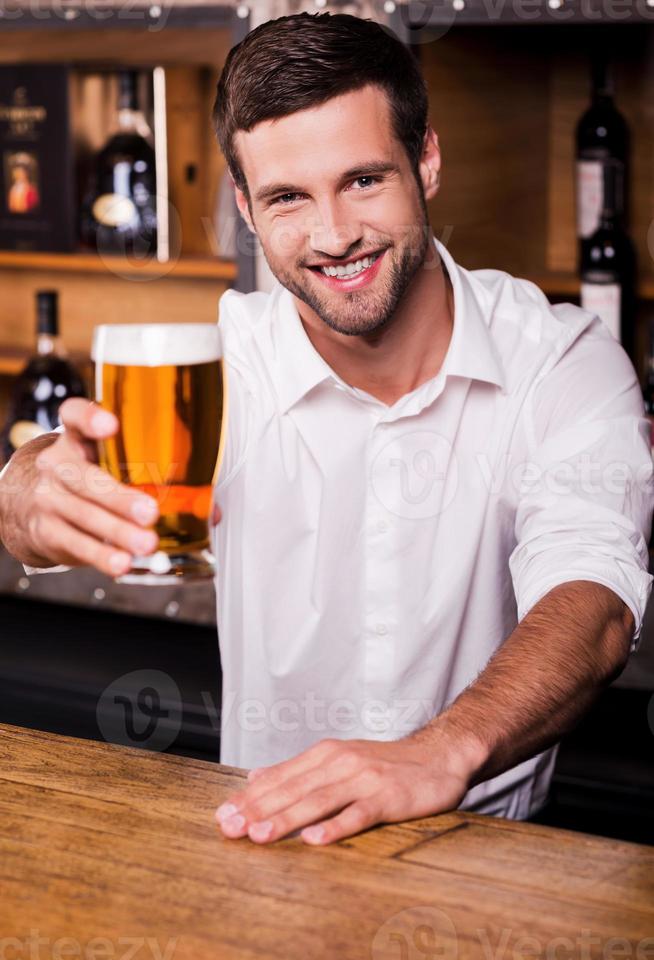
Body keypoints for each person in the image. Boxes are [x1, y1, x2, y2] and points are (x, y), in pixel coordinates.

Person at [1, 13, 652, 848]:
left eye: (364, 180)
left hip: (490, 852)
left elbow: (592, 602)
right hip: (265, 845)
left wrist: (438, 752)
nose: (334, 234)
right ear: (245, 205)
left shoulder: (562, 361)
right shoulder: (218, 371)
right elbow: (42, 496)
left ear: (428, 161)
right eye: (287, 198)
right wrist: (26, 490)